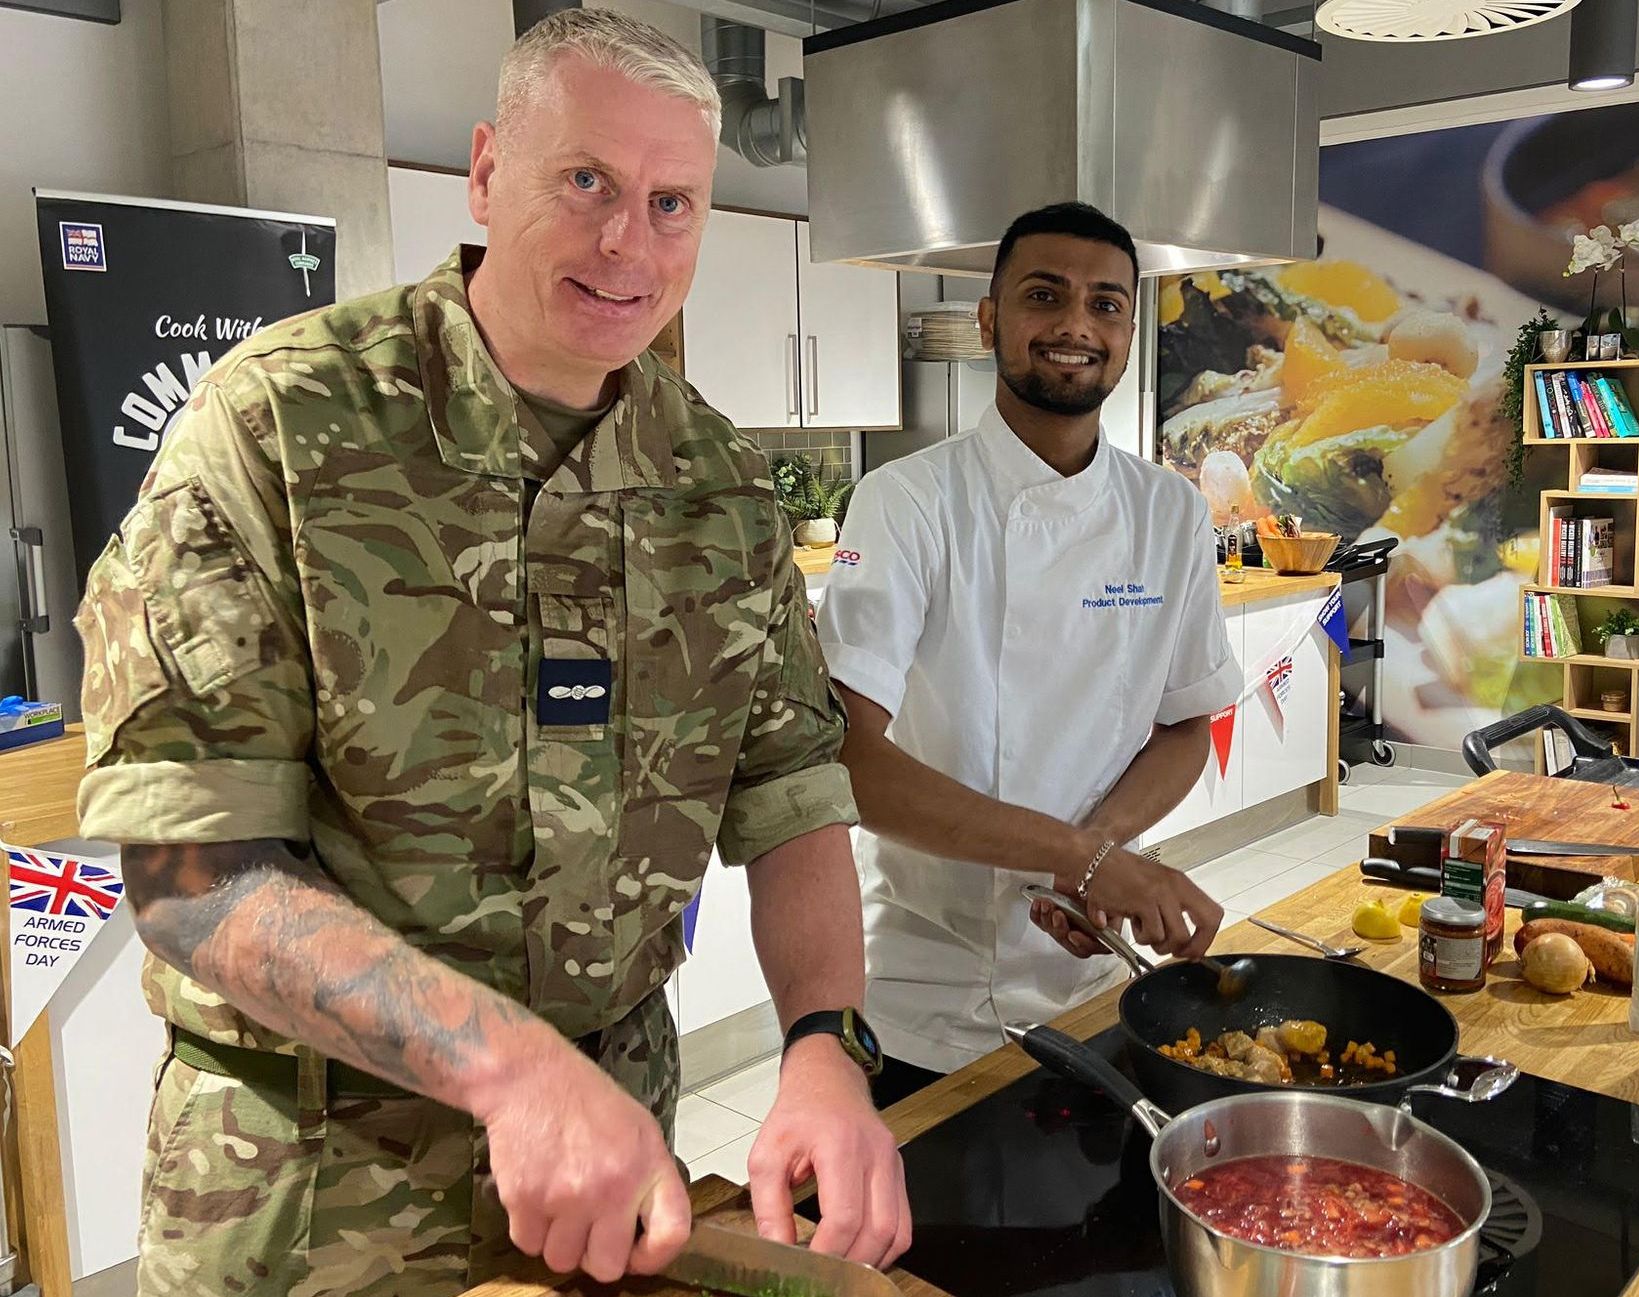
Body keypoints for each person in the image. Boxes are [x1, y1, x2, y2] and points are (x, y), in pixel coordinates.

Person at [71, 11, 907, 1295]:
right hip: (308, 1194)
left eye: (671, 201)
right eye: (585, 181)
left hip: (605, 1187)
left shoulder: (720, 485)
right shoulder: (283, 426)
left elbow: (793, 804)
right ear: (482, 171)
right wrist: (514, 1070)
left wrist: (824, 1046)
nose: (628, 240)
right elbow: (194, 872)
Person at [815, 203, 1243, 1107]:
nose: (1076, 326)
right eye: (1044, 295)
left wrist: (1095, 863)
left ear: (1129, 328)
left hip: (1097, 979)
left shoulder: (1170, 514)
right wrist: (1088, 863)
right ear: (989, 318)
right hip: (927, 1004)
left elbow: (1184, 726)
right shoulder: (906, 504)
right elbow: (849, 761)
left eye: (1107, 304)